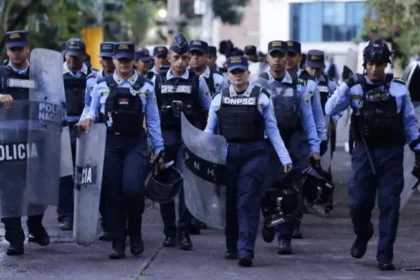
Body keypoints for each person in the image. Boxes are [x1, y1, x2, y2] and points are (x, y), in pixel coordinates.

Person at [325, 39, 420, 271]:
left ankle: (385, 255)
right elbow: (330, 109)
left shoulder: (398, 89)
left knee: (390, 205)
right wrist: (347, 84)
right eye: (371, 63)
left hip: (391, 155)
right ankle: (363, 232)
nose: (375, 68)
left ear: (385, 64)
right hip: (363, 154)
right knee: (358, 203)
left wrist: (418, 151)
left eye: (379, 64)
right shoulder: (355, 88)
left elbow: (409, 122)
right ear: (364, 64)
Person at [78, 42, 164, 259]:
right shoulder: (101, 85)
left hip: (136, 143)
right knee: (113, 192)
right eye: (120, 59)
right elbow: (91, 109)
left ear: (134, 61)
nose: (124, 63)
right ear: (114, 60)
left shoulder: (145, 86)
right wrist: (85, 120)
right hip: (110, 144)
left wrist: (159, 149)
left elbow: (153, 119)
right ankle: (118, 240)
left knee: (133, 189)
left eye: (128, 59)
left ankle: (135, 233)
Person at [205, 55, 293, 267]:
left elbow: (272, 129)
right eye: (233, 72)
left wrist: (284, 157)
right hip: (227, 155)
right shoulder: (219, 98)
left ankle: (246, 250)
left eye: (241, 71)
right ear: (228, 75)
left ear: (248, 73)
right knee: (231, 203)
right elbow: (209, 131)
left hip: (254, 153)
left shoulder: (261, 97)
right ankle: (232, 245)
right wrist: (204, 155)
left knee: (248, 201)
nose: (237, 75)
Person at [256, 41, 321, 254]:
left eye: (281, 55)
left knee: (291, 191)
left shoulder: (299, 85)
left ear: (287, 59)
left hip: (292, 141)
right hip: (265, 144)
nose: (277, 60)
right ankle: (270, 220)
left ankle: (285, 236)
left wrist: (315, 147)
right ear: (267, 58)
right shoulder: (258, 84)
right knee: (265, 190)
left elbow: (309, 118)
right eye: (273, 55)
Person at [154, 33, 211, 250]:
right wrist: (154, 145)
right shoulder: (157, 79)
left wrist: (203, 140)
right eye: (176, 57)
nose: (180, 62)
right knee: (165, 186)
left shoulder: (199, 81)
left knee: (187, 185)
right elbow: (150, 113)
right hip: (165, 138)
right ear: (168, 57)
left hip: (189, 139)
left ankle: (184, 231)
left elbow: (208, 112)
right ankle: (169, 232)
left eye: (185, 58)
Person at [0, 30, 50, 255]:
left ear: (28, 49)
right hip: (7, 143)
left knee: (37, 186)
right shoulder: (0, 73)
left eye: (20, 49)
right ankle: (14, 238)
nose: (16, 53)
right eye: (13, 49)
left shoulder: (39, 74)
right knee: (8, 189)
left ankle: (35, 225)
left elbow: (52, 98)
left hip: (35, 139)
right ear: (7, 51)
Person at [284, 40, 327, 238]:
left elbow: (316, 115)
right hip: (278, 136)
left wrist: (319, 141)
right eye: (285, 54)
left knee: (298, 181)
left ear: (299, 58)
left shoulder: (308, 83)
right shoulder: (267, 80)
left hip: (299, 138)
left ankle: (295, 222)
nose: (288, 59)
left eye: (293, 55)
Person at [59, 38, 93, 231]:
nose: (72, 60)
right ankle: (66, 215)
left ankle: (85, 213)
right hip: (62, 129)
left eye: (76, 56)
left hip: (85, 131)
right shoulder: (55, 75)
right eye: (69, 56)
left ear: (83, 56)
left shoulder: (92, 75)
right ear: (65, 55)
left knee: (86, 174)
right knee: (65, 175)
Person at [305, 49, 340, 215]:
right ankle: (305, 201)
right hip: (304, 129)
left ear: (323, 67)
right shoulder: (299, 81)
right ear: (306, 66)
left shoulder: (330, 83)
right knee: (304, 166)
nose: (314, 71)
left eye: (317, 68)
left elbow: (340, 101)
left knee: (325, 166)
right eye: (311, 68)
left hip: (325, 130)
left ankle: (325, 201)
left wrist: (335, 118)